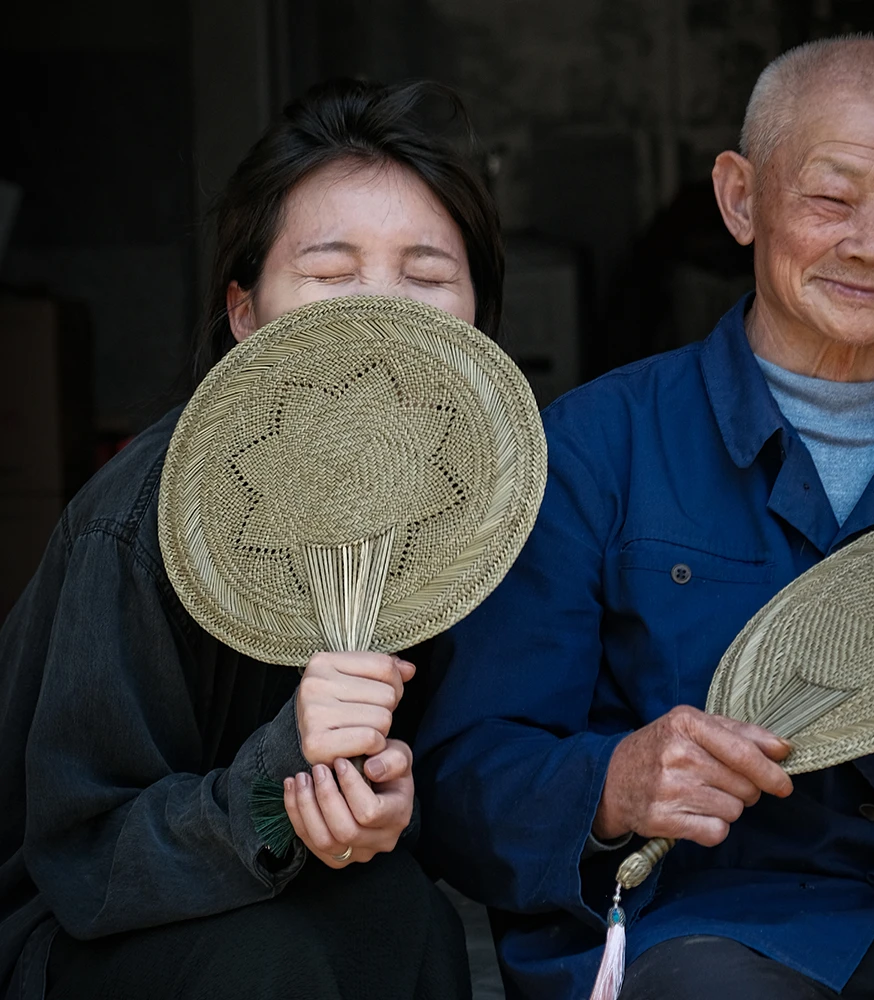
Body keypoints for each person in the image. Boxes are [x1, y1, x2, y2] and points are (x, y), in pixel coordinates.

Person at [414, 35, 874, 1000]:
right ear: (740, 199)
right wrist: (614, 784)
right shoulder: (592, 454)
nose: (871, 243)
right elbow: (462, 785)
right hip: (708, 938)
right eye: (830, 196)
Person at [0, 77, 503, 1000]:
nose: (378, 312)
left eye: (426, 278)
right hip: (73, 928)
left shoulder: (457, 517)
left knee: (407, 920)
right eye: (329, 272)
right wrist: (278, 785)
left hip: (290, 885)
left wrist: (384, 808)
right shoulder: (135, 522)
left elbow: (436, 781)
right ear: (245, 315)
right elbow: (82, 857)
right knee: (272, 962)